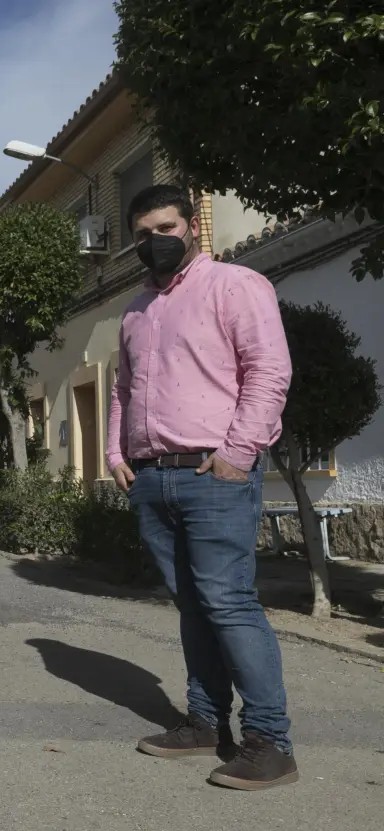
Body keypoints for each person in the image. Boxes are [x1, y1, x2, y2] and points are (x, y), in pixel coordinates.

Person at [108, 185, 297, 791]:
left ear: (192, 225)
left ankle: (270, 742)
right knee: (192, 605)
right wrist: (115, 453)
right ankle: (205, 722)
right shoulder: (136, 310)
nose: (155, 242)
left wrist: (237, 455)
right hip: (151, 477)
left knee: (228, 602)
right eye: (142, 235)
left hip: (212, 473)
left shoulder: (235, 285)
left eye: (166, 228)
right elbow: (123, 390)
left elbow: (268, 372)